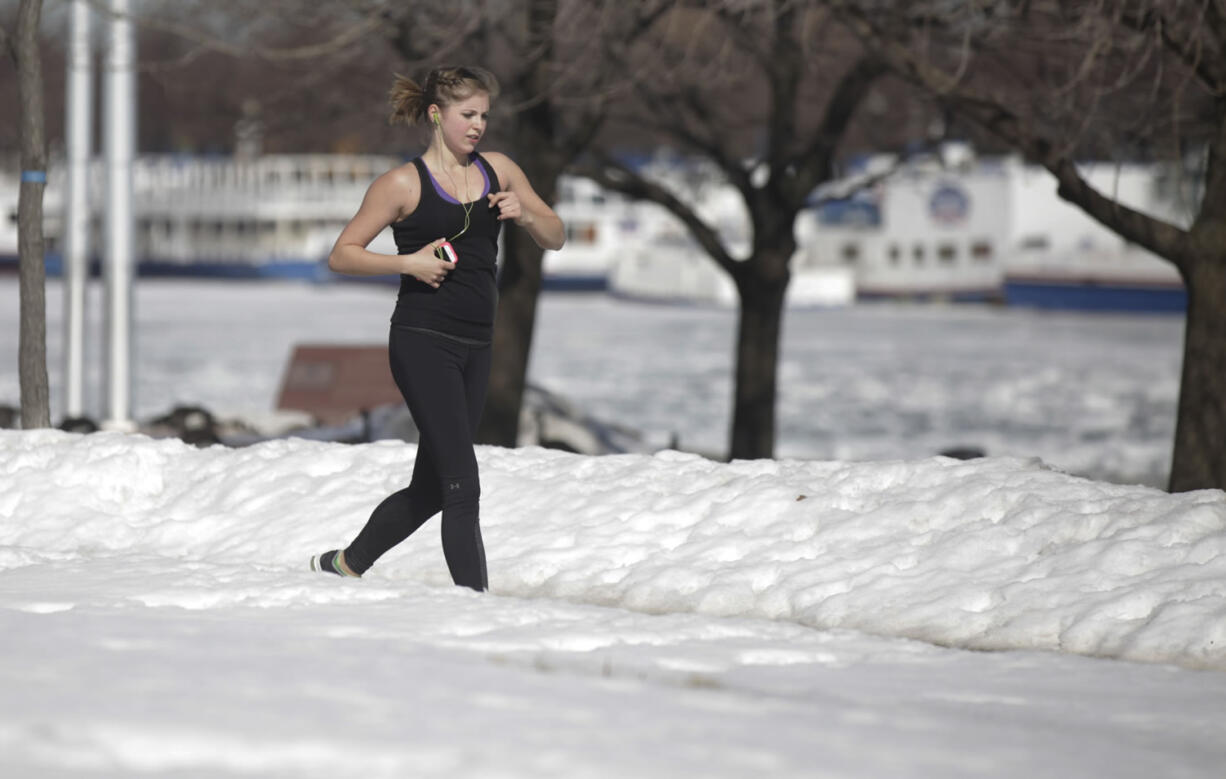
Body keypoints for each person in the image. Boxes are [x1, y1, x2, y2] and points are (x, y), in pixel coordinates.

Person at [311, 66, 565, 591]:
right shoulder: (402, 184)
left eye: (484, 116)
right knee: (462, 485)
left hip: (477, 343)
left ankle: (346, 563)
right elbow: (342, 255)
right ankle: (476, 607)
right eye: (467, 115)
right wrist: (410, 264)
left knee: (432, 488)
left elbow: (556, 235)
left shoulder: (500, 171)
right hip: (422, 341)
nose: (478, 126)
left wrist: (526, 216)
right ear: (436, 114)